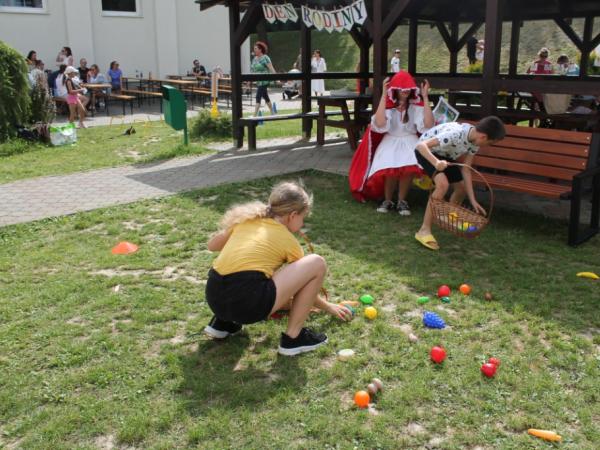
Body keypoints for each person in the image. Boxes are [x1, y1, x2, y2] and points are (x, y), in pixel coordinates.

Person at [203, 181, 351, 356]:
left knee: (247, 270)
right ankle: (293, 339)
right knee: (316, 262)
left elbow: (212, 245)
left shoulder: (246, 221)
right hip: (246, 305)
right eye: (303, 217)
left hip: (214, 298)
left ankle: (222, 324)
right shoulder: (289, 242)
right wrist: (329, 307)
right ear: (293, 215)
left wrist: (238, 230)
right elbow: (303, 288)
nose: (302, 223)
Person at [413, 116, 506, 250]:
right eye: (490, 143)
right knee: (442, 185)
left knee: (461, 188)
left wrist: (472, 199)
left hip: (445, 156)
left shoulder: (475, 142)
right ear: (483, 137)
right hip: (427, 152)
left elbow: (466, 170)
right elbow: (421, 146)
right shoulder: (455, 135)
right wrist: (436, 163)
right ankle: (424, 230)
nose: (487, 146)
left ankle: (449, 217)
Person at [349, 71, 434, 215]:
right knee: (390, 168)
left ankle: (402, 201)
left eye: (407, 88)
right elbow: (380, 123)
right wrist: (383, 95)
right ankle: (388, 200)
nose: (405, 91)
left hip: (410, 140)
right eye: (401, 88)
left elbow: (428, 124)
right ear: (394, 90)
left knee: (408, 168)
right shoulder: (389, 106)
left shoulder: (415, 106)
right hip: (391, 140)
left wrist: (425, 97)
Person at [251, 41, 277, 116]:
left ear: (260, 49)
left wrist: (276, 77)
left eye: (256, 49)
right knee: (265, 96)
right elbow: (253, 70)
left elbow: (271, 68)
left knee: (258, 96)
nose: (254, 50)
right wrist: (250, 80)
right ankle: (272, 112)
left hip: (265, 80)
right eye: (254, 49)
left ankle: (254, 115)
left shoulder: (265, 58)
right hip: (258, 81)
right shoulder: (254, 59)